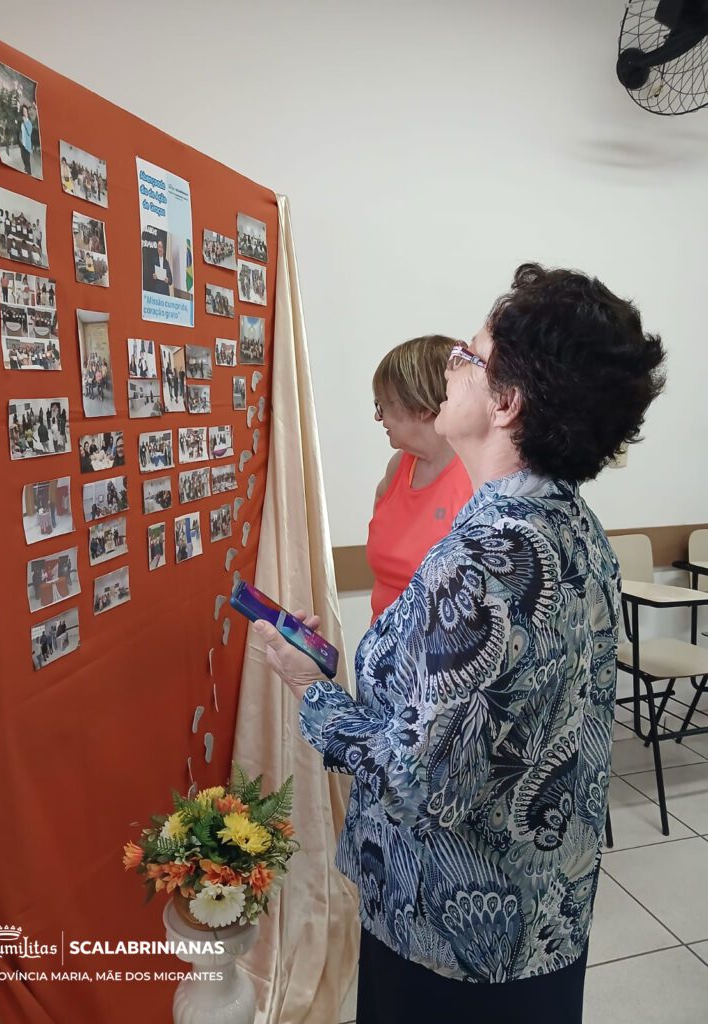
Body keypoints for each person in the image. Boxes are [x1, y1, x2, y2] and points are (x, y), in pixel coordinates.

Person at [253, 263, 666, 1024]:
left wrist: (313, 692)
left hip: (452, 932)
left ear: (507, 403)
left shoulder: (485, 559)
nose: (451, 364)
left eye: (469, 355)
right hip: (542, 911)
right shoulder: (572, 525)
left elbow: (414, 780)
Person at [367, 335, 473, 622]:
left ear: (422, 407)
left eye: (383, 405)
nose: (378, 417)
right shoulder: (398, 467)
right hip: (382, 645)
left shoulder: (475, 480)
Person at [19, 104, 33, 175]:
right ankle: (26, 172)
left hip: (27, 146)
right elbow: (21, 132)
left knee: (27, 162)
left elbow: (29, 133)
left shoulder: (29, 123)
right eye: (23, 111)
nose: (25, 112)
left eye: (26, 111)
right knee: (23, 160)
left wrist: (25, 122)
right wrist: (20, 140)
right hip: (22, 145)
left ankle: (29, 174)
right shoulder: (21, 123)